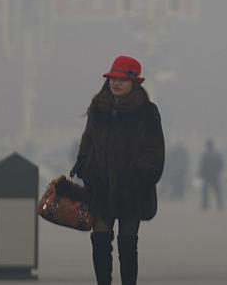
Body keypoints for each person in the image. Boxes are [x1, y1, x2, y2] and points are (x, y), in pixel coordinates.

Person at [71, 55, 165, 285]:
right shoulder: (98, 109)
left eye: (122, 79)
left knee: (127, 244)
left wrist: (136, 179)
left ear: (135, 82)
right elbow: (87, 144)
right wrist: (86, 169)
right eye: (113, 78)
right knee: (100, 242)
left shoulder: (147, 112)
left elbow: (155, 154)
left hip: (132, 191)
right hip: (101, 189)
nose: (116, 83)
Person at [199, 140, 224, 210]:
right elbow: (221, 164)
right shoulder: (217, 154)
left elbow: (202, 166)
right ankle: (220, 204)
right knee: (217, 191)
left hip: (206, 176)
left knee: (205, 192)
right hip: (215, 175)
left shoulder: (205, 155)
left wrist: (201, 174)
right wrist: (218, 172)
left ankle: (205, 205)